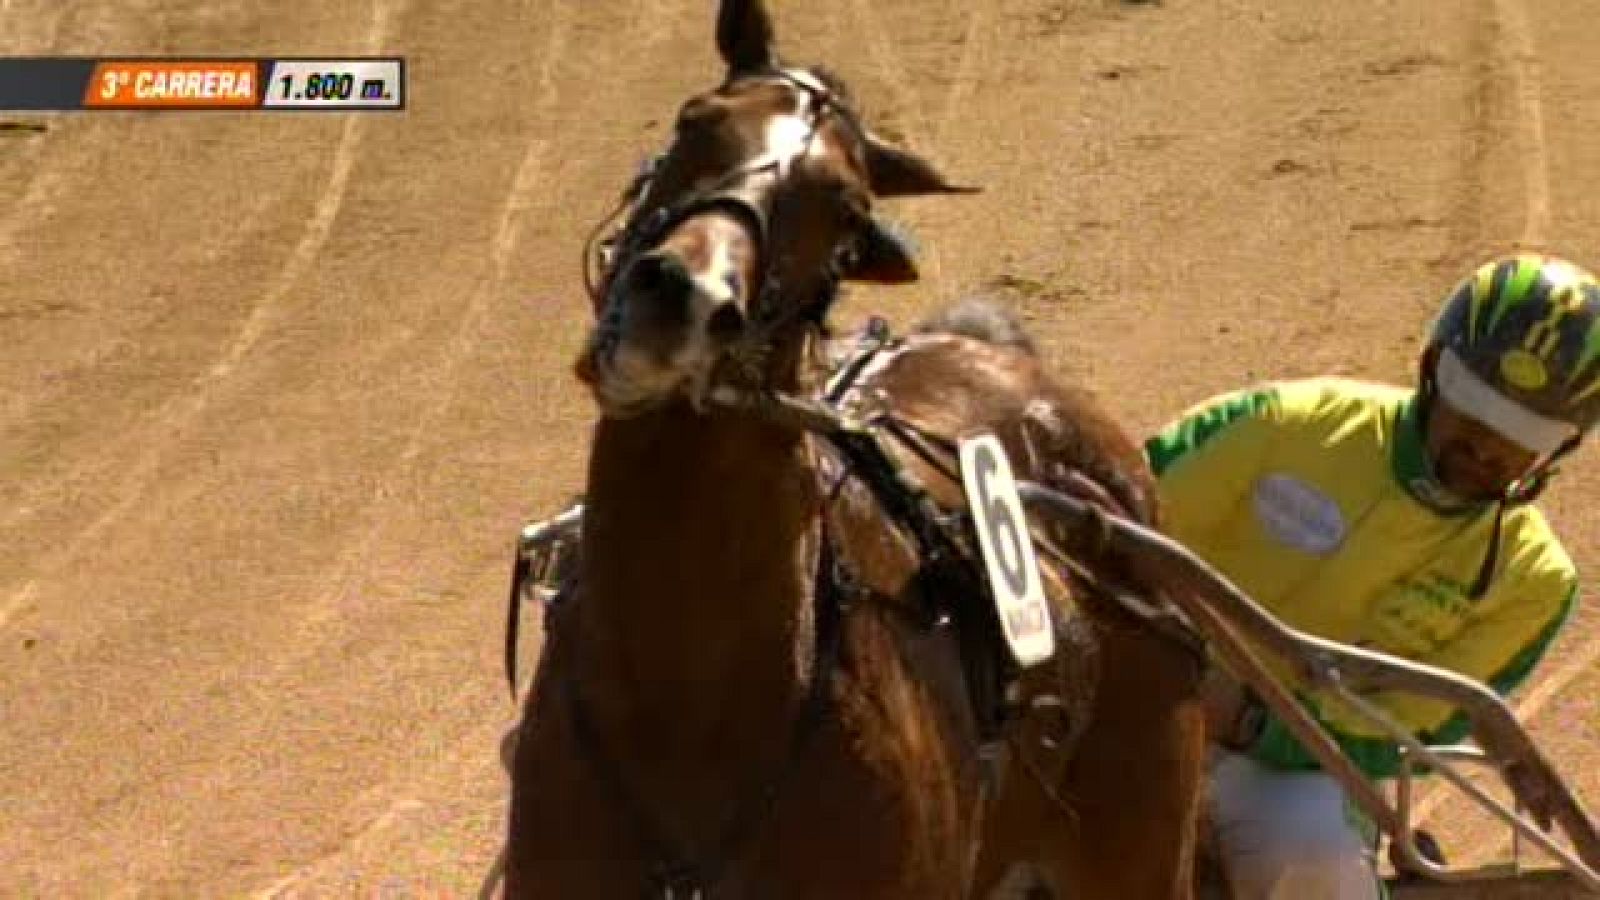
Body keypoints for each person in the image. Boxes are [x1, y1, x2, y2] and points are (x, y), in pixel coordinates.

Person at [1147, 252, 1599, 899]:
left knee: (1312, 856)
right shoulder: (1281, 426)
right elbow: (1112, 527)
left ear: (1562, 448)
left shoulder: (1534, 584)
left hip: (1289, 772)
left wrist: (1252, 726)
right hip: (1139, 699)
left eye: (1519, 437)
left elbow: (1399, 736)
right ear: (1432, 372)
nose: (1485, 449)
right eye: (1472, 414)